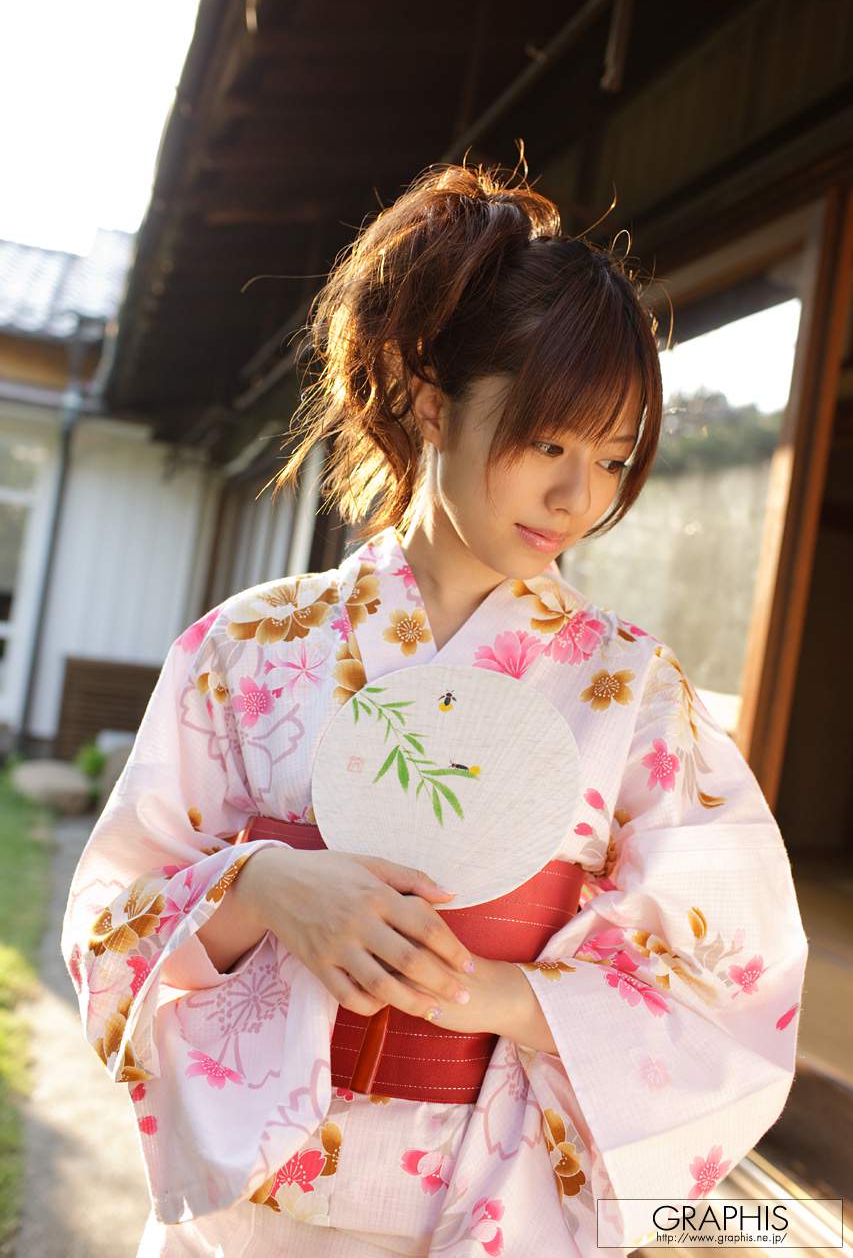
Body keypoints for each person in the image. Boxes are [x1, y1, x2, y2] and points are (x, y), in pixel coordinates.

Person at [60, 160, 808, 1257]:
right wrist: (258, 886)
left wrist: (502, 994)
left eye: (610, 459)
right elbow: (105, 920)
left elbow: (735, 982)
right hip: (249, 1217)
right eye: (547, 443)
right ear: (428, 399)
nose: (578, 498)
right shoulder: (250, 646)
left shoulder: (635, 692)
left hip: (484, 1206)